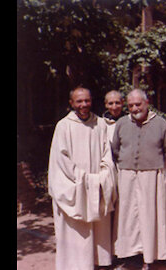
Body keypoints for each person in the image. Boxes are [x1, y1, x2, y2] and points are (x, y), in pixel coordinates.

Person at [48, 87, 117, 270]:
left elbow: (107, 154)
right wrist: (83, 179)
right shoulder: (63, 126)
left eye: (86, 100)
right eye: (79, 101)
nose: (84, 105)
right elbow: (60, 160)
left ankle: (99, 261)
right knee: (75, 232)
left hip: (97, 185)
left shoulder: (100, 124)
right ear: (71, 103)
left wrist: (101, 177)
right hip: (74, 186)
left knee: (99, 228)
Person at [111, 89, 166, 270]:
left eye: (138, 104)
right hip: (127, 174)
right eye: (130, 105)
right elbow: (115, 149)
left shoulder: (161, 124)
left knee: (149, 216)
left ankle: (150, 256)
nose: (134, 108)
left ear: (147, 103)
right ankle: (129, 255)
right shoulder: (122, 123)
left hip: (151, 175)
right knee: (128, 216)